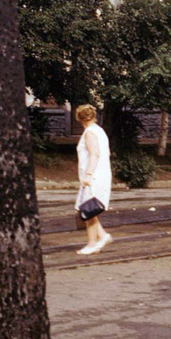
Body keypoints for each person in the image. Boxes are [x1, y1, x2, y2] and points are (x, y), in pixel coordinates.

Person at [74, 104, 112, 254]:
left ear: (79, 118)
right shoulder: (99, 130)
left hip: (93, 176)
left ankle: (92, 243)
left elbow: (94, 154)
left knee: (89, 210)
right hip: (100, 174)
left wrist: (88, 175)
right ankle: (102, 236)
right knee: (90, 209)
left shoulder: (89, 133)